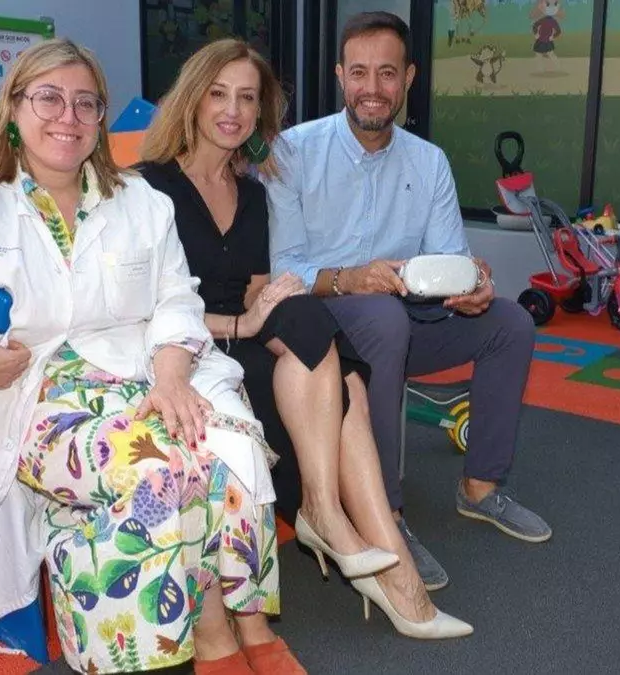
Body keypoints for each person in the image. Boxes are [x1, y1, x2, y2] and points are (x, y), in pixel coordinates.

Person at [0, 38, 302, 675]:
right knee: (155, 473)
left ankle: (229, 635)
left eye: (85, 103)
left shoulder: (140, 202)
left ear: (100, 118)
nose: (67, 117)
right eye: (48, 98)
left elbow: (177, 296)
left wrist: (173, 374)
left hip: (145, 369)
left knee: (226, 449)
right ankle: (147, 653)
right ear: (13, 108)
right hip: (39, 390)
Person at [134, 38, 472, 640]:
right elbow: (144, 311)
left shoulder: (253, 191)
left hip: (243, 336)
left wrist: (266, 312)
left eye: (247, 98)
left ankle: (340, 524)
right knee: (343, 384)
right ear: (192, 99)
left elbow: (255, 292)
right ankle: (390, 573)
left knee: (323, 343)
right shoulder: (147, 188)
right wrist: (243, 325)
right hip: (183, 345)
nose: (233, 111)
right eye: (218, 94)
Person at [263, 11, 552, 591]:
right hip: (323, 315)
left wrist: (471, 284)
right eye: (360, 72)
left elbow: (447, 258)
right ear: (340, 76)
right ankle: (386, 516)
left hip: (407, 315)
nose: (373, 88)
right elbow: (283, 268)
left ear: (408, 78)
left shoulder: (429, 160)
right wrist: (354, 278)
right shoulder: (293, 152)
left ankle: (480, 488)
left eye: (387, 73)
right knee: (382, 315)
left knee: (512, 323)